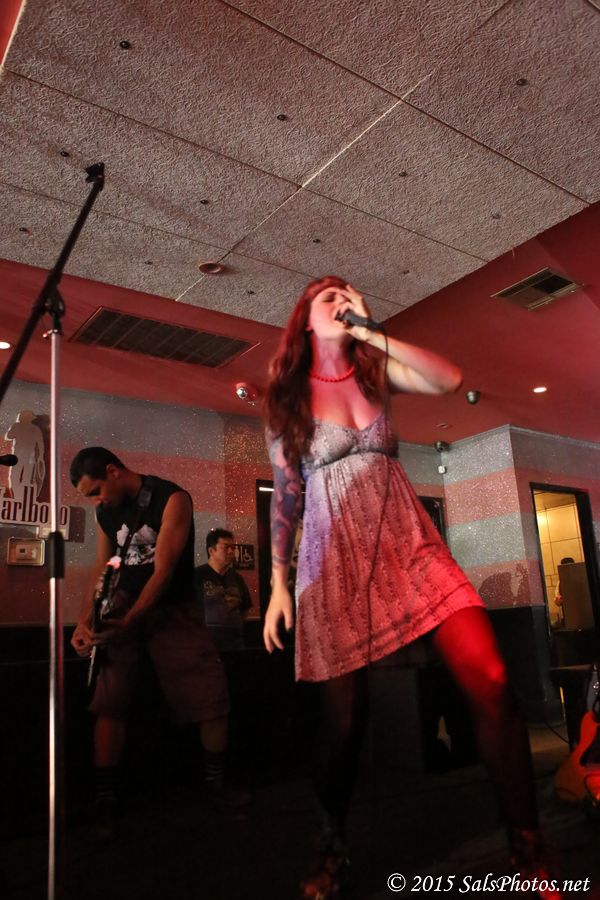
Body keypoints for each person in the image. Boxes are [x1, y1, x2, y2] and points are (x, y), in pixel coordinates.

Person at [262, 276, 562, 900]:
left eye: (347, 293)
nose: (341, 301)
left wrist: (373, 332)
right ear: (304, 319)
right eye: (327, 297)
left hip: (408, 541)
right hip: (333, 557)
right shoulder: (287, 398)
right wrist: (278, 583)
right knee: (344, 722)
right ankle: (330, 848)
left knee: (492, 678)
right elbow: (286, 496)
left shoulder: (375, 374)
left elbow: (449, 378)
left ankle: (529, 850)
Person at [70, 447, 246, 838]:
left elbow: (164, 572)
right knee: (109, 702)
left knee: (211, 696)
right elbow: (102, 569)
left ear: (114, 471)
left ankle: (216, 787)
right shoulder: (105, 513)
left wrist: (128, 622)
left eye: (96, 491)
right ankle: (105, 801)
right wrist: (85, 620)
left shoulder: (172, 498)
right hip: (123, 604)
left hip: (172, 608)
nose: (96, 501)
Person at [195, 528, 252, 651]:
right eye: (226, 547)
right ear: (211, 550)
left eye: (233, 547)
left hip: (235, 646)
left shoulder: (237, 578)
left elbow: (245, 609)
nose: (231, 551)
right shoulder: (197, 576)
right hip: (205, 648)